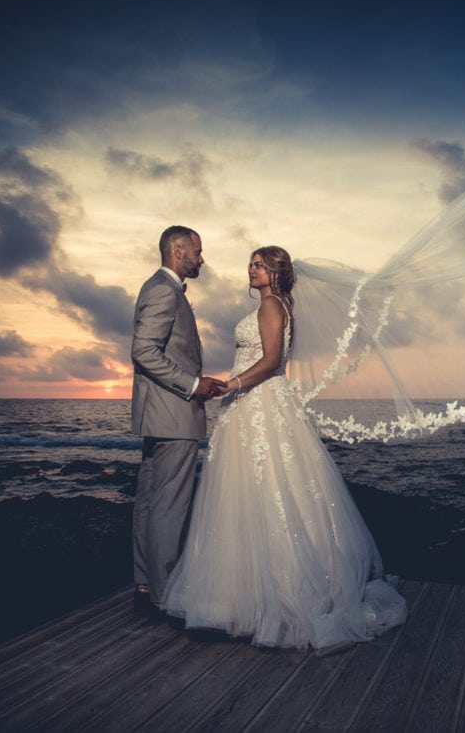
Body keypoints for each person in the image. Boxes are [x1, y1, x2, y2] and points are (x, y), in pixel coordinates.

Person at [161, 246, 407, 651]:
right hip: (255, 404)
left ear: (276, 272)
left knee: (267, 490)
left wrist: (234, 385)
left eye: (258, 264)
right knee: (257, 493)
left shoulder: (271, 306)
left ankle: (273, 596)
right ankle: (244, 595)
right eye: (251, 264)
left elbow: (272, 361)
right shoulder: (273, 305)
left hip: (258, 402)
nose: (251, 269)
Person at [130, 226, 225, 615]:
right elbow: (144, 351)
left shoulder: (157, 287)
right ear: (178, 250)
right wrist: (193, 385)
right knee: (168, 506)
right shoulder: (164, 290)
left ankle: (144, 584)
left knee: (150, 503)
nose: (201, 259)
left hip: (158, 416)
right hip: (174, 415)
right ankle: (165, 595)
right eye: (198, 252)